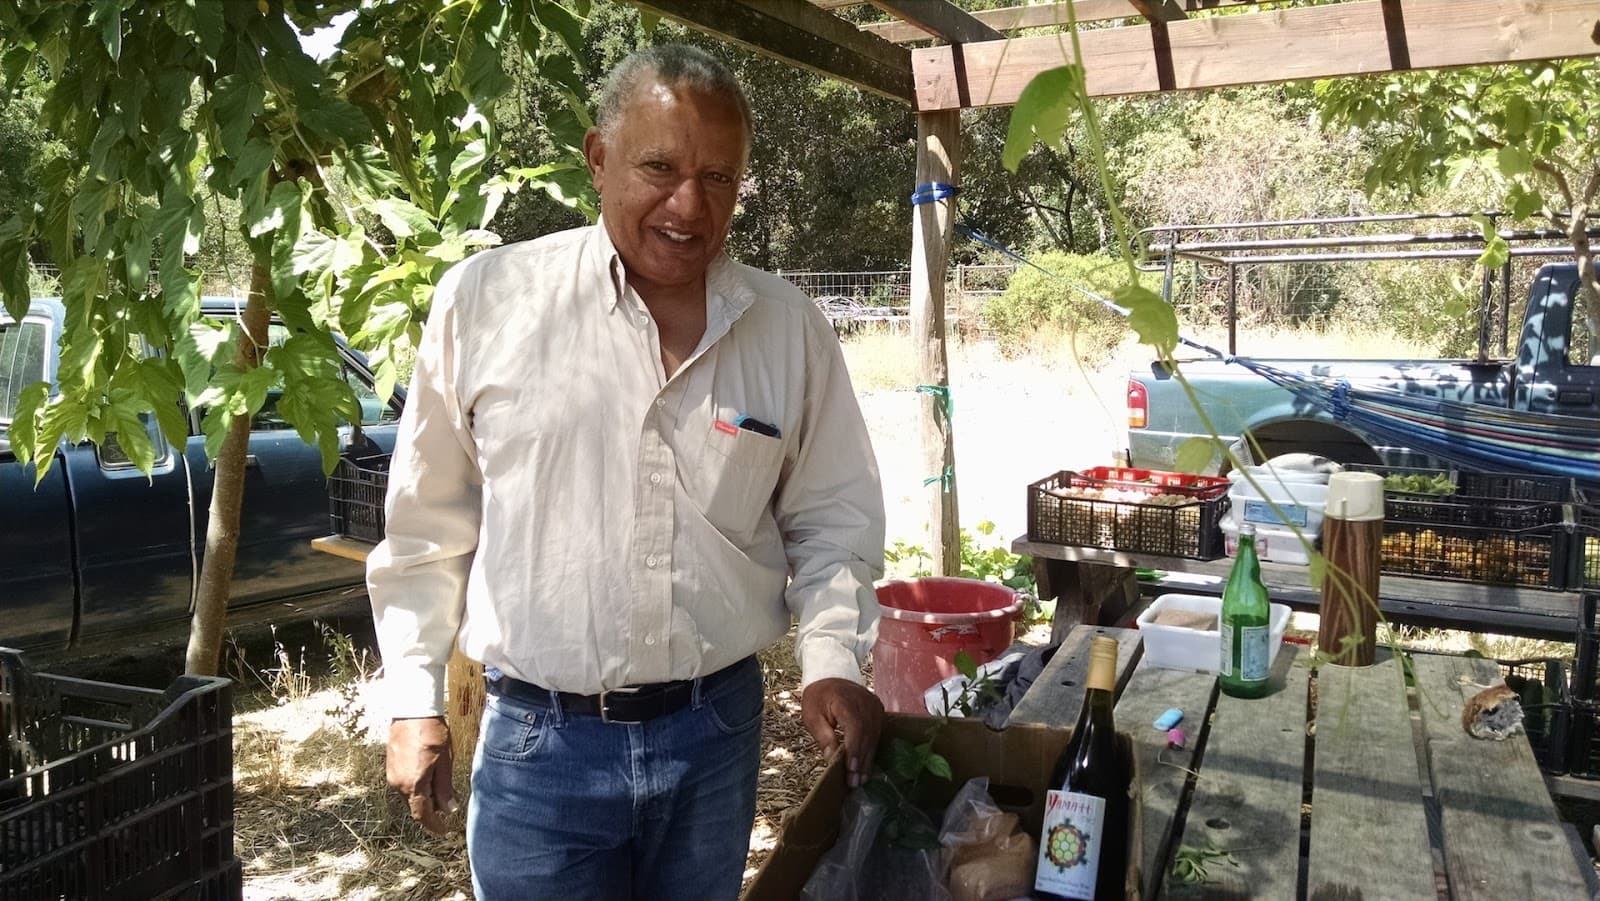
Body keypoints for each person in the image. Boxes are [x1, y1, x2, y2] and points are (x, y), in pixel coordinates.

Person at [365, 44, 887, 901]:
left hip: (715, 733)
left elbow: (834, 516)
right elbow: (428, 524)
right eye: (660, 167)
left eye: (719, 178)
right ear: (597, 158)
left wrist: (834, 657)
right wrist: (413, 697)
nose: (690, 204)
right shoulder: (486, 304)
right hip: (541, 744)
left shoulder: (788, 331)